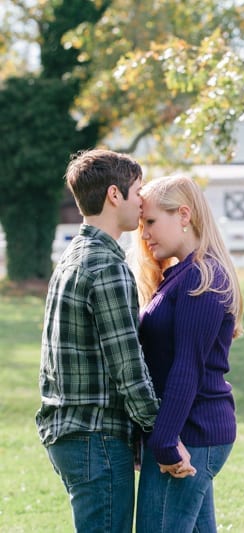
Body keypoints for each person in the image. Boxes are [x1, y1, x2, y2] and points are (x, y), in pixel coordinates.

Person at [36, 148, 193, 533]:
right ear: (114, 195)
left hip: (69, 433)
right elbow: (127, 365)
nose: (142, 200)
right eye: (137, 190)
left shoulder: (74, 255)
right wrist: (162, 437)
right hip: (96, 436)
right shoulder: (107, 266)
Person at [131, 174, 244, 533]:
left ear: (183, 215)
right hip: (187, 430)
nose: (144, 234)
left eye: (150, 222)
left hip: (191, 433)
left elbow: (186, 369)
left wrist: (164, 442)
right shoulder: (181, 275)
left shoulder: (202, 278)